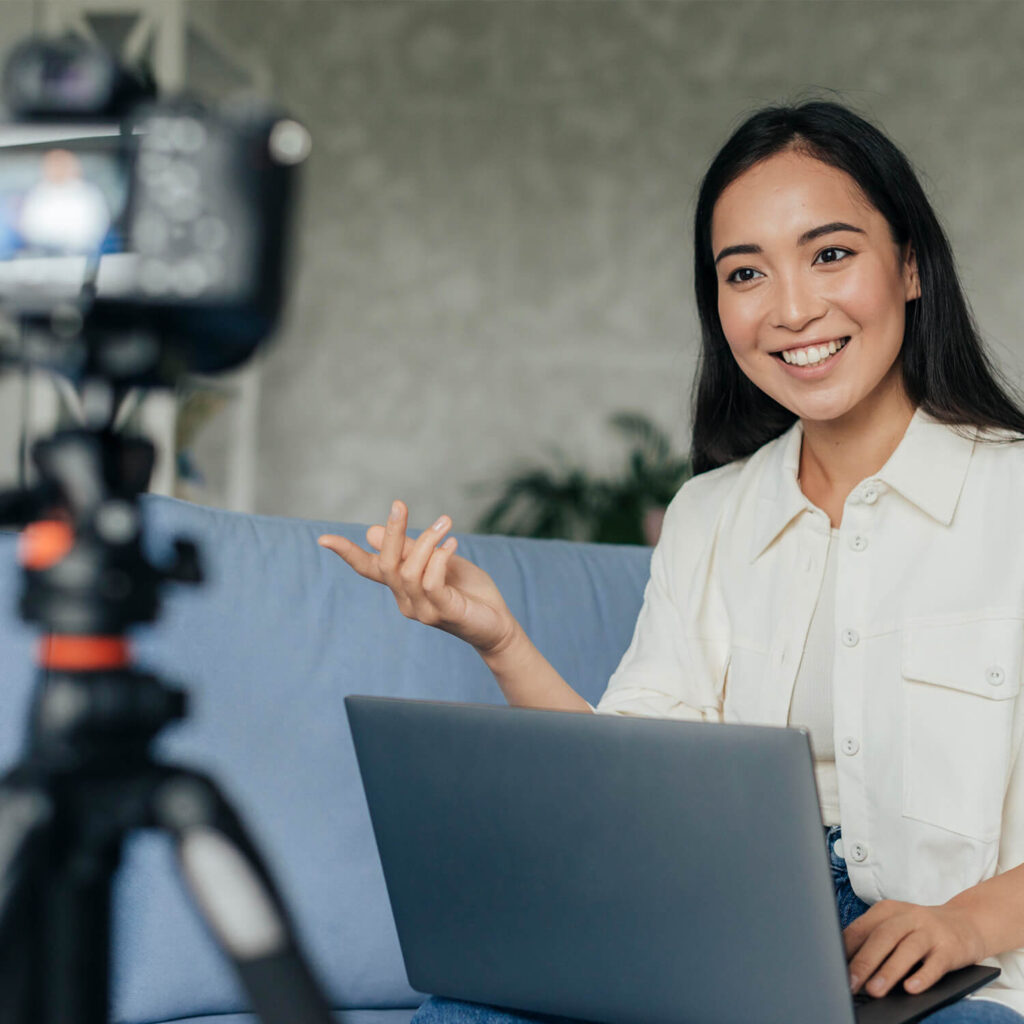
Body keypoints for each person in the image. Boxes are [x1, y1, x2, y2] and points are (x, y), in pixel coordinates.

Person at [318, 101, 1024, 1023]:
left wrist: (968, 923)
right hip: (727, 945)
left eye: (832, 253)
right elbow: (629, 797)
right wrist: (499, 642)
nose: (794, 308)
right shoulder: (711, 514)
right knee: (465, 1016)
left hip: (961, 976)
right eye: (745, 273)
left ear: (912, 265)